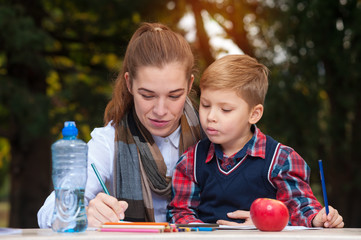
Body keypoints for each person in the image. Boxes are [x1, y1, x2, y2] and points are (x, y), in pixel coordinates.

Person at [37, 22, 202, 228]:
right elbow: (47, 212)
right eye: (147, 95)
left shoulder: (211, 136)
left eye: (174, 95)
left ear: (189, 85)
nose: (161, 110)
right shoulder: (109, 141)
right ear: (129, 83)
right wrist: (84, 213)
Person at [168, 54, 344, 228]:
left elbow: (301, 207)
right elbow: (180, 212)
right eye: (205, 105)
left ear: (254, 114)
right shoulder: (191, 161)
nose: (211, 117)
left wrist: (317, 218)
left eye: (226, 109)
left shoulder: (281, 160)